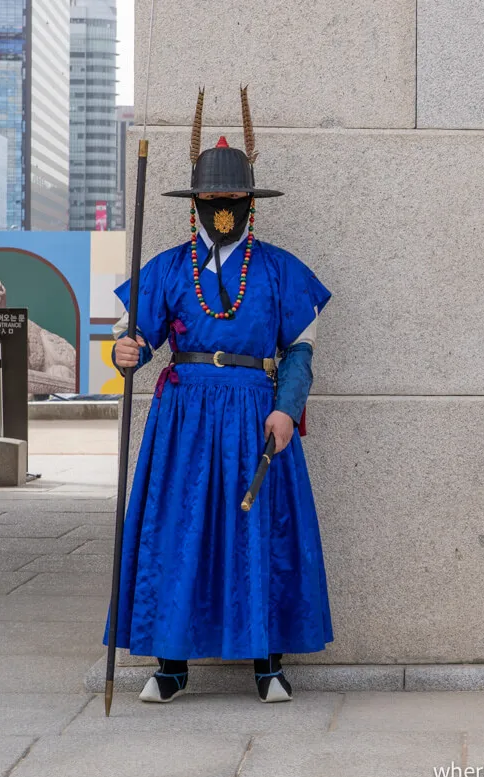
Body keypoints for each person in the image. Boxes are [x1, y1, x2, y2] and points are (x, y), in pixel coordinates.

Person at [106, 89, 332, 703]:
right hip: (182, 419)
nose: (222, 210)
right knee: (176, 530)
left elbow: (300, 354)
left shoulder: (283, 271)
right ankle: (170, 663)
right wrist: (123, 353)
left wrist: (287, 406)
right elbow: (136, 344)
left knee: (259, 531)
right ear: (197, 205)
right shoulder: (170, 268)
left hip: (255, 414)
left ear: (250, 205)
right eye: (213, 201)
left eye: (233, 201)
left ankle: (268, 662)